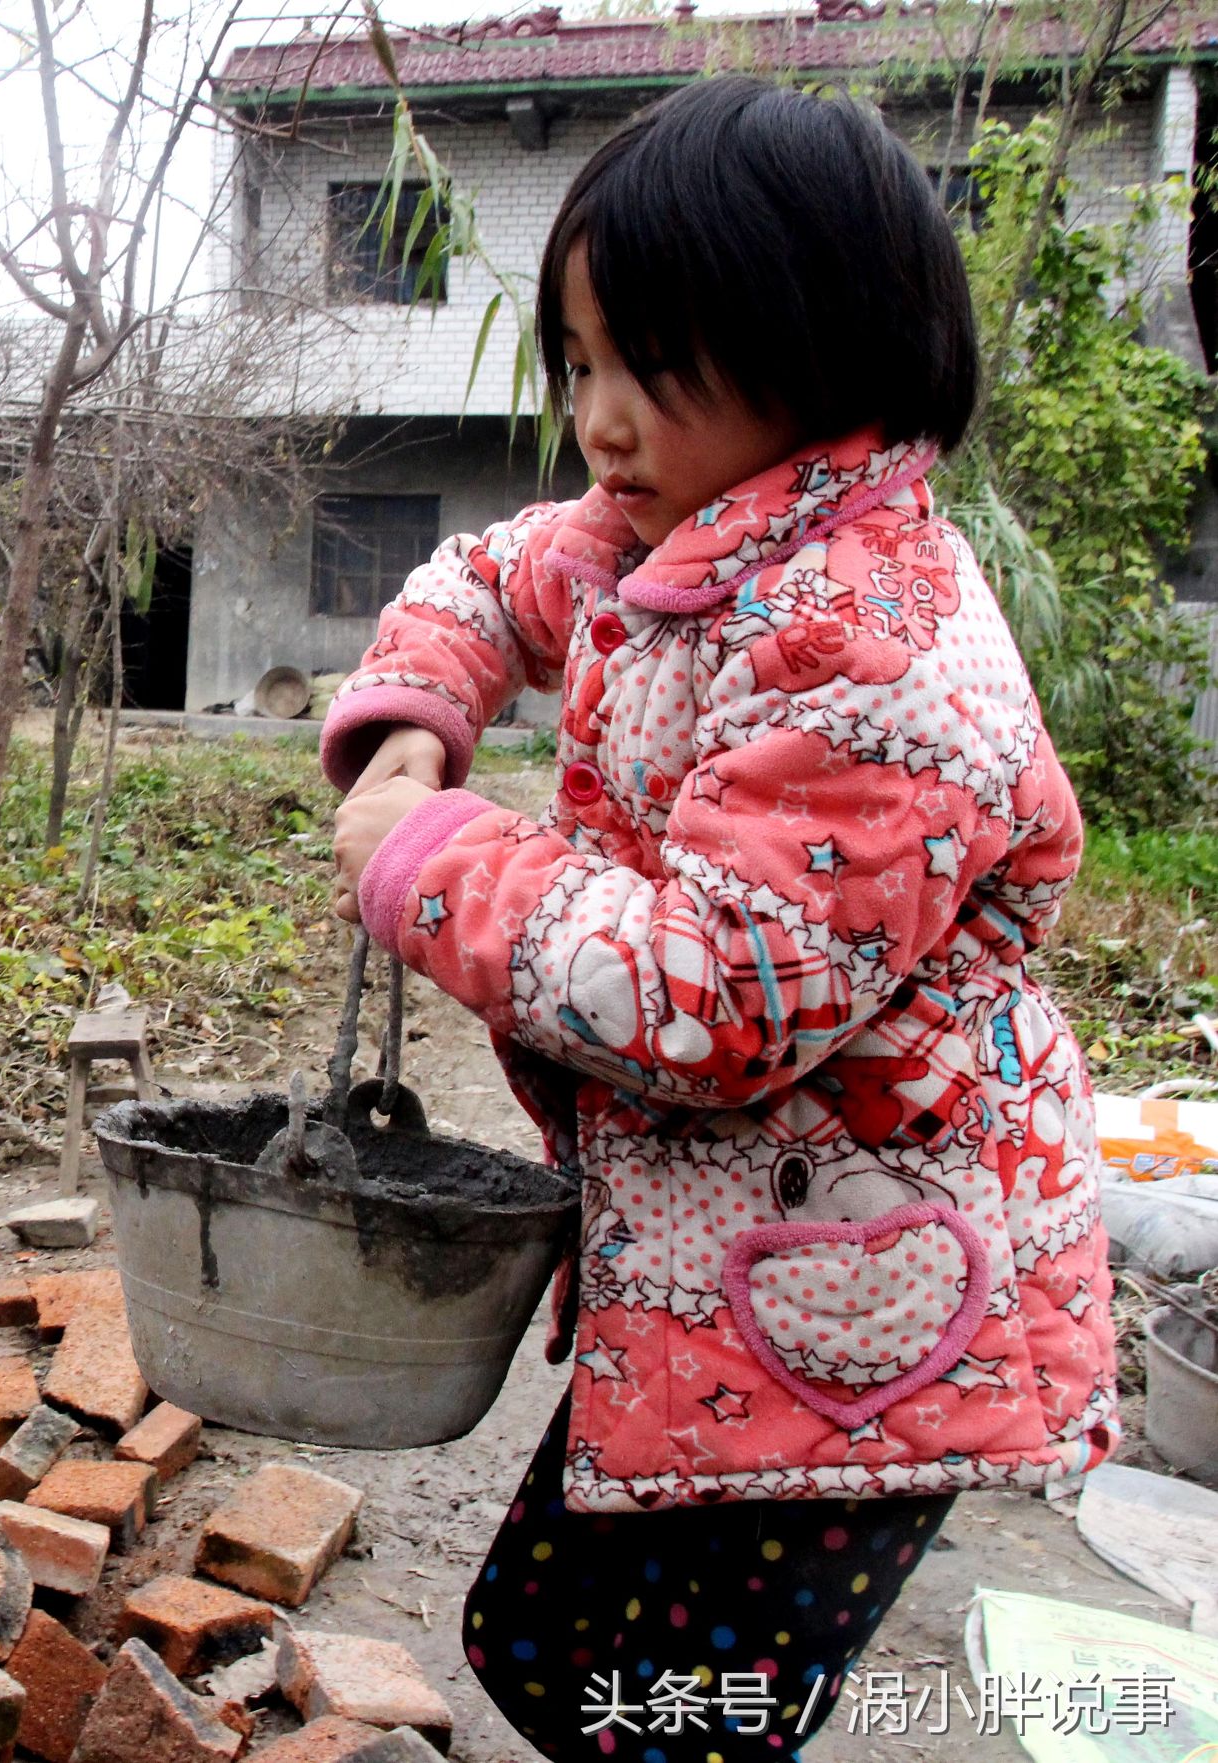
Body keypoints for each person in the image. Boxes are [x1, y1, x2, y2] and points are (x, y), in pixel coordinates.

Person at [322, 77, 1118, 1762]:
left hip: (866, 1314)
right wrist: (418, 705)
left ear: (818, 345)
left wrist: (433, 859)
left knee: (666, 1723)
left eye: (650, 368)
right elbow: (488, 580)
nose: (600, 423)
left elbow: (719, 993)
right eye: (582, 364)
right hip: (726, 1270)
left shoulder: (879, 649)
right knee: (539, 1644)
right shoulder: (677, 532)